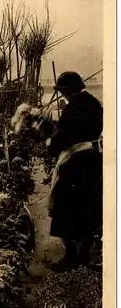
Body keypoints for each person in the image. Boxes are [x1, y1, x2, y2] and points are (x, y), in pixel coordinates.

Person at [46, 71, 103, 272]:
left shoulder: (73, 109)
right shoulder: (94, 104)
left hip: (75, 163)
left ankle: (70, 255)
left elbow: (64, 138)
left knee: (64, 204)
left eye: (63, 91)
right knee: (90, 205)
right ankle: (85, 253)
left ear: (68, 91)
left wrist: (50, 143)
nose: (62, 95)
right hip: (93, 160)